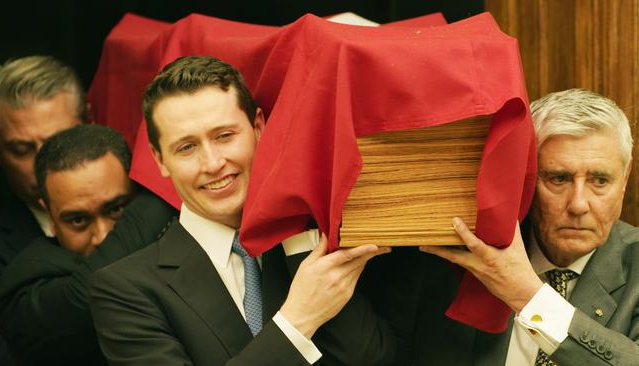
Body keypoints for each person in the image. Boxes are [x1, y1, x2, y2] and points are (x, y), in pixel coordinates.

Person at [90, 55, 395, 365]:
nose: (212, 164)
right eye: (186, 147)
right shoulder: (124, 290)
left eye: (224, 136)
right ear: (159, 160)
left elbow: (372, 359)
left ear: (258, 128)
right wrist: (296, 321)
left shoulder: (309, 243)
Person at [417, 88, 639, 365]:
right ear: (526, 176)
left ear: (625, 178)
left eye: (600, 181)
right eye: (559, 179)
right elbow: (378, 354)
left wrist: (527, 294)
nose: (579, 204)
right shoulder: (464, 258)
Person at [0, 124, 177, 365]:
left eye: (117, 209)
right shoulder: (21, 291)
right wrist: (168, 181)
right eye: (78, 220)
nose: (102, 235)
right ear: (50, 217)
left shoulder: (176, 247)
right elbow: (91, 290)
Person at [0, 55, 85, 366]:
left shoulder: (138, 210)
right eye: (21, 149)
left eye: (59, 142)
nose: (43, 166)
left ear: (89, 124)